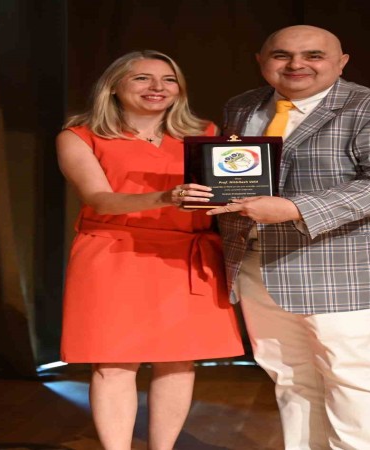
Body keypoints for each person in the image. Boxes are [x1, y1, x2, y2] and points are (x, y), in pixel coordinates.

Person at [207, 25, 370, 449]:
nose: (297, 64)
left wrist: (296, 209)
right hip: (260, 264)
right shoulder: (242, 107)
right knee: (289, 375)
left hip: (350, 270)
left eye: (313, 55)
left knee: (354, 378)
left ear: (341, 62)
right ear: (261, 61)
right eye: (282, 55)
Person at [57, 50, 244, 450]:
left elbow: (227, 192)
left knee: (178, 361)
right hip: (114, 254)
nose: (158, 87)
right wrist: (165, 197)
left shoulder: (207, 134)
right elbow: (98, 199)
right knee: (113, 362)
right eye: (142, 78)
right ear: (114, 86)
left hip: (185, 257)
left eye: (169, 79)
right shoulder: (80, 136)